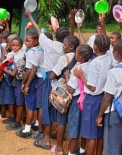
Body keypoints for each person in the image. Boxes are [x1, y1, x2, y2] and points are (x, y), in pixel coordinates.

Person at [25, 9, 70, 150]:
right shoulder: (68, 49)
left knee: (46, 107)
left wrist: (30, 16)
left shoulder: (49, 44)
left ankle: (46, 139)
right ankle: (58, 137)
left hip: (48, 78)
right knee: (60, 107)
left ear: (55, 35)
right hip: (62, 80)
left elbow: (38, 30)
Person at [74, 34, 112, 155]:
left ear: (95, 47)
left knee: (90, 135)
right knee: (99, 133)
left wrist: (81, 76)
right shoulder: (109, 57)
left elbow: (92, 86)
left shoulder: (95, 63)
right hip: (103, 98)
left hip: (92, 99)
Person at [96, 39, 122, 155]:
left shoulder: (114, 72)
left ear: (116, 53)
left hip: (114, 111)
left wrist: (100, 115)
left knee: (111, 146)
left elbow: (108, 97)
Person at [48, 35, 79, 154]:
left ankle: (59, 148)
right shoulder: (80, 59)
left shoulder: (63, 58)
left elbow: (52, 75)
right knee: (72, 122)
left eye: (64, 44)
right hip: (75, 94)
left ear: (71, 47)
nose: (62, 46)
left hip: (63, 95)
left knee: (61, 122)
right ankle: (71, 148)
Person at [66, 44, 93, 155]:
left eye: (76, 53)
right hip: (86, 100)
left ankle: (71, 153)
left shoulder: (78, 69)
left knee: (74, 129)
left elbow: (71, 89)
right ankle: (82, 150)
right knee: (83, 127)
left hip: (77, 101)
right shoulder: (90, 65)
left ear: (80, 57)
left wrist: (67, 76)